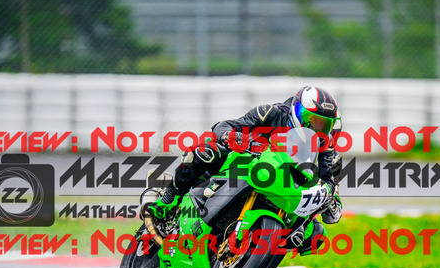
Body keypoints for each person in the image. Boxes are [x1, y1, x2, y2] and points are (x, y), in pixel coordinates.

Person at [147, 85, 343, 252]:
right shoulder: (271, 113)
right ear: (296, 110)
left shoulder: (326, 148)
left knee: (316, 235)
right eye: (311, 120)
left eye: (323, 125)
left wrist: (329, 198)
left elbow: (329, 185)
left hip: (286, 188)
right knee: (204, 152)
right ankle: (168, 201)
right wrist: (232, 137)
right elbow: (225, 126)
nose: (315, 128)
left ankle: (258, 252)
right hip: (247, 164)